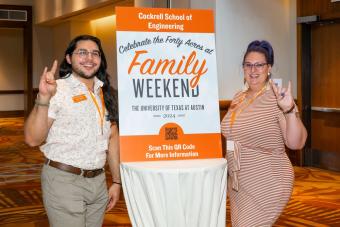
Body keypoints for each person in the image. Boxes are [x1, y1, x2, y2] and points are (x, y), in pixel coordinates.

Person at [24, 35, 121, 227]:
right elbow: (32, 139)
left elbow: (113, 138)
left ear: (100, 60)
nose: (89, 58)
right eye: (82, 52)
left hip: (98, 181)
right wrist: (43, 97)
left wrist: (117, 182)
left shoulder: (105, 92)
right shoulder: (58, 89)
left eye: (95, 53)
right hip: (64, 180)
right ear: (69, 58)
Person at [221, 40, 307, 226]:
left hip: (267, 180)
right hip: (238, 181)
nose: (253, 70)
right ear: (243, 68)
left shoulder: (276, 97)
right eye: (248, 65)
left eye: (259, 65)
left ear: (269, 68)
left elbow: (296, 143)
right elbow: (233, 136)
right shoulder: (239, 97)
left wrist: (290, 109)